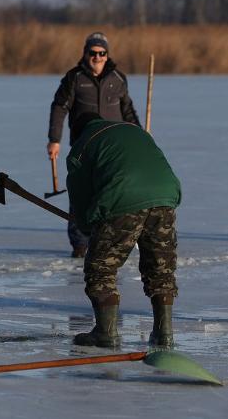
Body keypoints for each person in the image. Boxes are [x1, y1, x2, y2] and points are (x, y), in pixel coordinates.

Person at [66, 111, 180, 348]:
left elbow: (80, 200)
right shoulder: (135, 131)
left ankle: (105, 332)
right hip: (165, 196)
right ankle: (164, 333)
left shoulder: (82, 144)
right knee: (160, 266)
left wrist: (90, 226)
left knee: (100, 267)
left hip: (123, 199)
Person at [47, 32, 141, 258]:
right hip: (84, 146)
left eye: (102, 53)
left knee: (113, 192)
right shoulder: (74, 78)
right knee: (82, 192)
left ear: (107, 55)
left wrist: (140, 138)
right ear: (85, 53)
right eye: (93, 52)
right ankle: (80, 243)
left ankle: (112, 240)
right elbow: (59, 108)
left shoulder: (118, 78)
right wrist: (54, 139)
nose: (97, 57)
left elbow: (127, 111)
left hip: (114, 147)